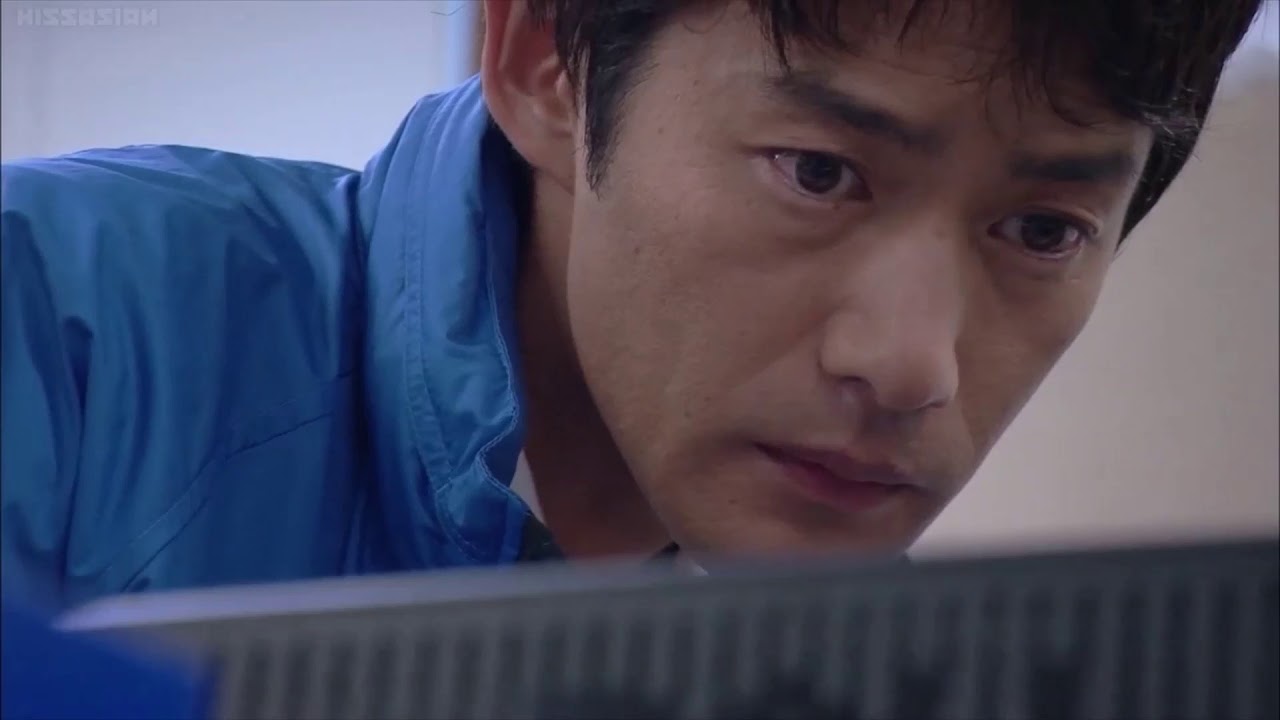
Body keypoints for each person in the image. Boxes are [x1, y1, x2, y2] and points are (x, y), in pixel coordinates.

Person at [0, 0, 1263, 609]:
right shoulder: (54, 321)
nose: (909, 366)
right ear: (546, 63)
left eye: (1041, 231)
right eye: (817, 172)